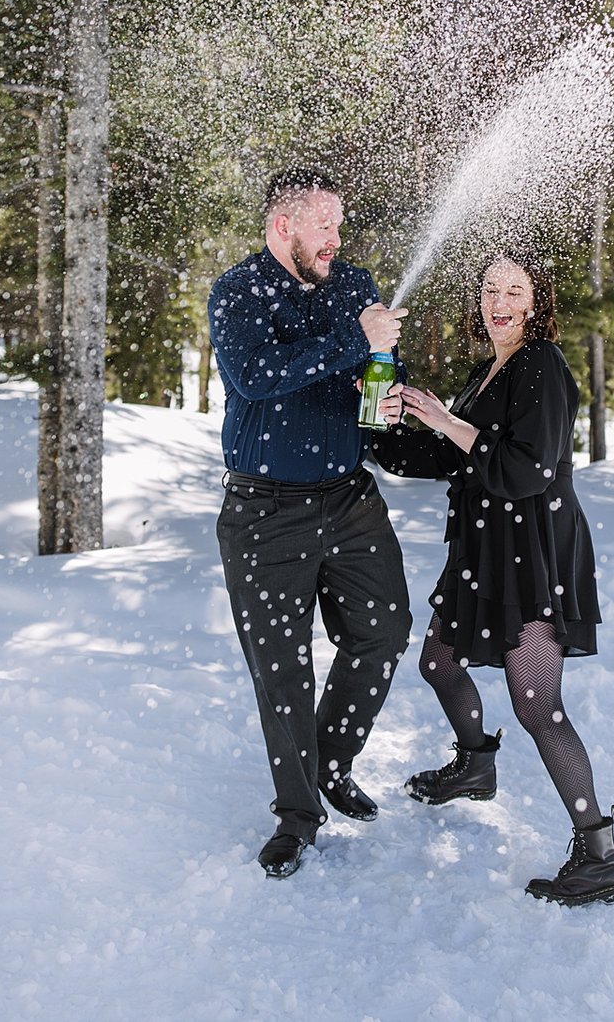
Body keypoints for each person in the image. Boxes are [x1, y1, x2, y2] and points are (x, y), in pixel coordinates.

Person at [370, 250, 614, 907]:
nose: (500, 299)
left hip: (534, 559)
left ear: (537, 300)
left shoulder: (542, 365)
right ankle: (476, 764)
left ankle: (599, 855)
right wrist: (385, 411)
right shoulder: (486, 373)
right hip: (484, 556)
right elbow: (437, 455)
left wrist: (442, 420)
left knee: (538, 706)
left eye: (515, 287)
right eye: (490, 287)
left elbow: (526, 470)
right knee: (438, 663)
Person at [208, 168, 412, 880]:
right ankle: (297, 818)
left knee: (383, 629)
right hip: (263, 513)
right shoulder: (237, 292)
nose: (335, 237)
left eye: (339, 223)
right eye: (321, 224)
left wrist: (383, 398)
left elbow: (379, 366)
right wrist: (352, 344)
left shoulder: (354, 284)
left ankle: (332, 761)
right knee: (282, 670)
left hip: (350, 500)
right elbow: (256, 375)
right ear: (280, 229)